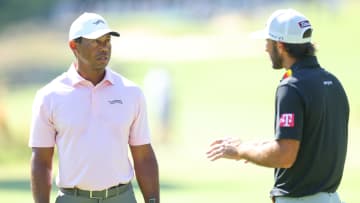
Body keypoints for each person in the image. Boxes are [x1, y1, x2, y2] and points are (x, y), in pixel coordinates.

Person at [206, 8, 349, 203]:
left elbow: (285, 155)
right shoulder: (332, 82)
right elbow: (307, 143)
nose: (265, 48)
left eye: (268, 42)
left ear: (280, 45)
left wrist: (240, 152)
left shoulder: (291, 86)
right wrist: (252, 146)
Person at [29, 12, 159, 203]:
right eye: (95, 41)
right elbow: (41, 161)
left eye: (107, 41)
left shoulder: (132, 93)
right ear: (74, 45)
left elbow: (143, 156)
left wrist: (153, 201)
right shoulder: (49, 96)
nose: (104, 47)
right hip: (72, 198)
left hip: (121, 197)